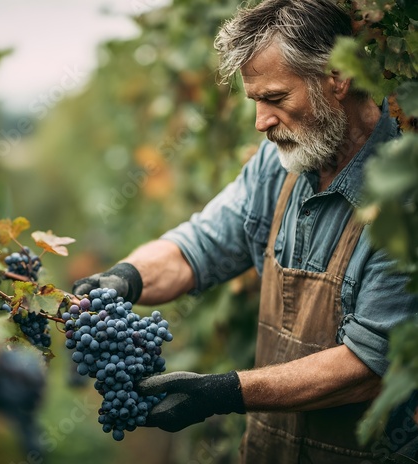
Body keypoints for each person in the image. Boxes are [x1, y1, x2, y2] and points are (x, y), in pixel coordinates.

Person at [72, 0, 418, 462]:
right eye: (256, 102)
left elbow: (369, 366)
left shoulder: (404, 197)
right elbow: (200, 245)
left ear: (339, 77)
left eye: (275, 98)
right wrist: (125, 278)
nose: (261, 123)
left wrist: (224, 392)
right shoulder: (280, 168)